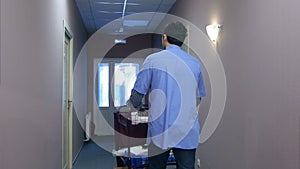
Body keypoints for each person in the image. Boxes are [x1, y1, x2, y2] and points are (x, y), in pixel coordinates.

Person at [126, 21, 206, 169]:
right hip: (187, 129)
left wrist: (133, 106)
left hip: (160, 129)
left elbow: (137, 96)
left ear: (164, 37)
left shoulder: (153, 60)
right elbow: (198, 98)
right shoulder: (195, 64)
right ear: (182, 40)